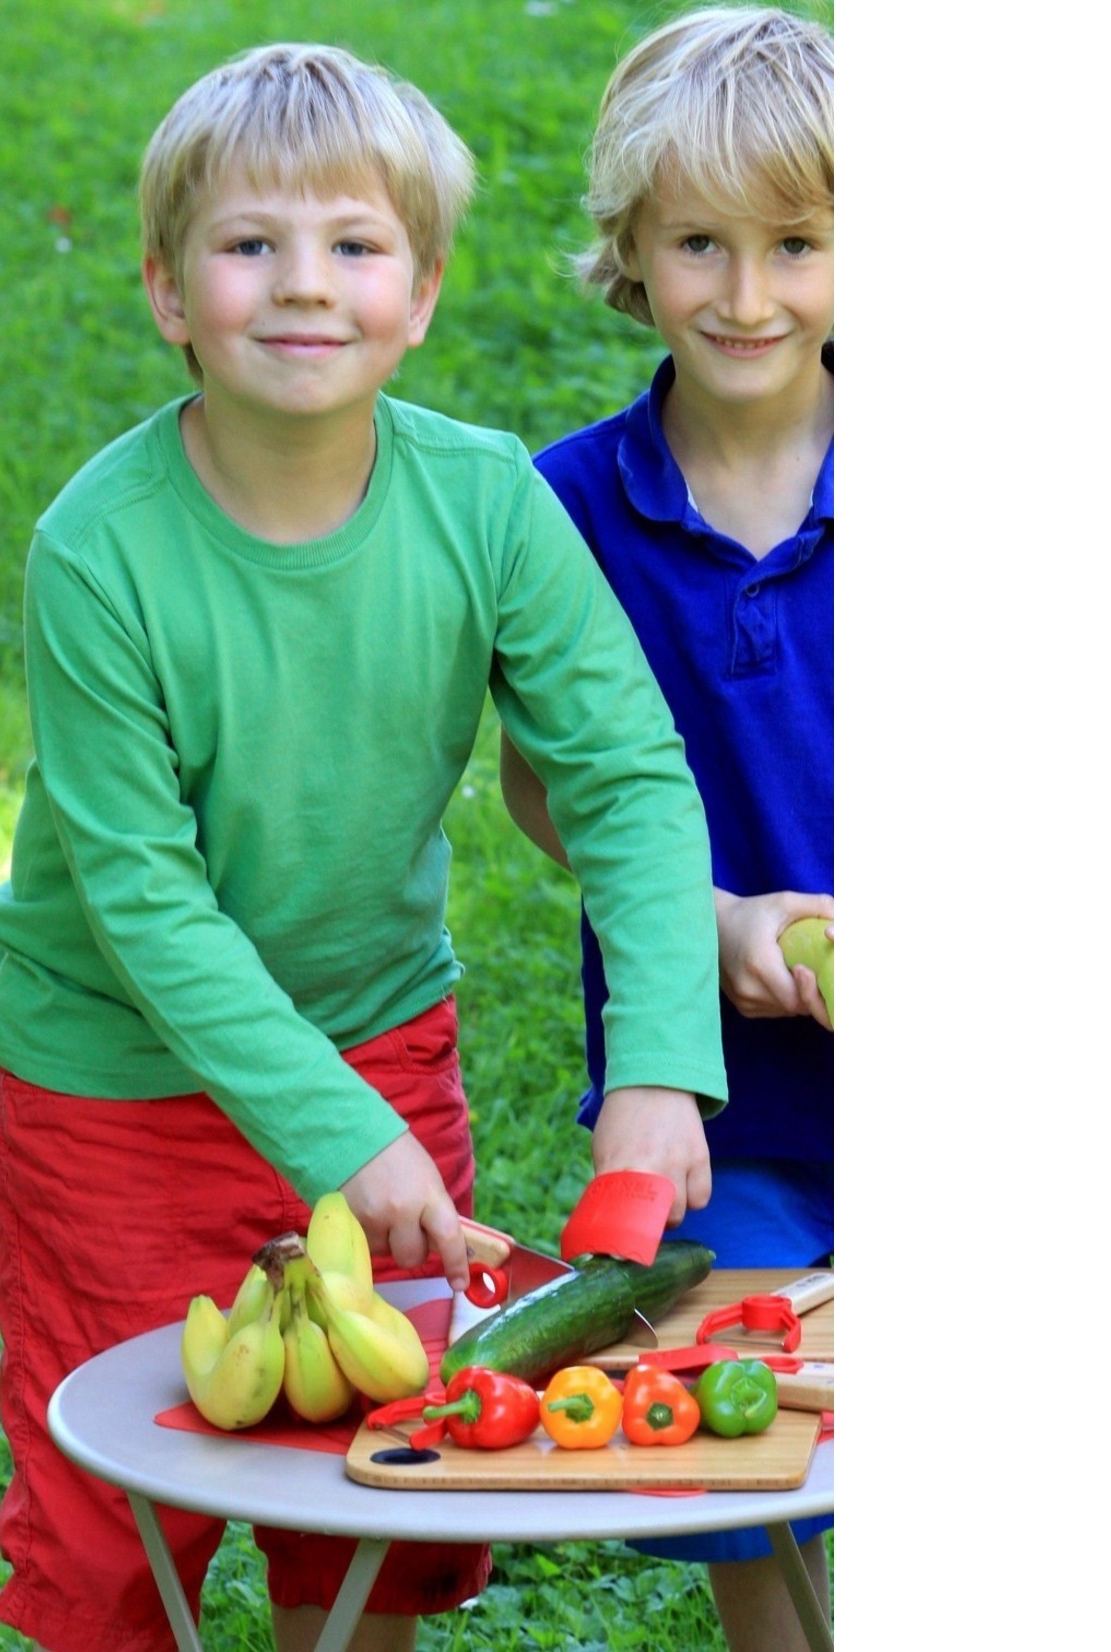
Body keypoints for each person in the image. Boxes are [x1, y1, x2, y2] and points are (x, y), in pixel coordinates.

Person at [0, 41, 727, 1652]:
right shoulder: (97, 553)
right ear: (170, 292)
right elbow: (141, 898)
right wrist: (337, 1133)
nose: (303, 287)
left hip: (381, 1041)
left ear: (426, 289)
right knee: (113, 1506)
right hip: (109, 1086)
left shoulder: (487, 507)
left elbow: (627, 777)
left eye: (354, 246)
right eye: (250, 246)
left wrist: (663, 1060)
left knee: (391, 1486)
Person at [498, 9, 834, 1649]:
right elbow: (541, 784)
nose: (749, 294)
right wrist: (704, 923)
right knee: (742, 1461)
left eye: (798, 244)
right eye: (701, 243)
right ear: (631, 250)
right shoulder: (566, 507)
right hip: (716, 1089)